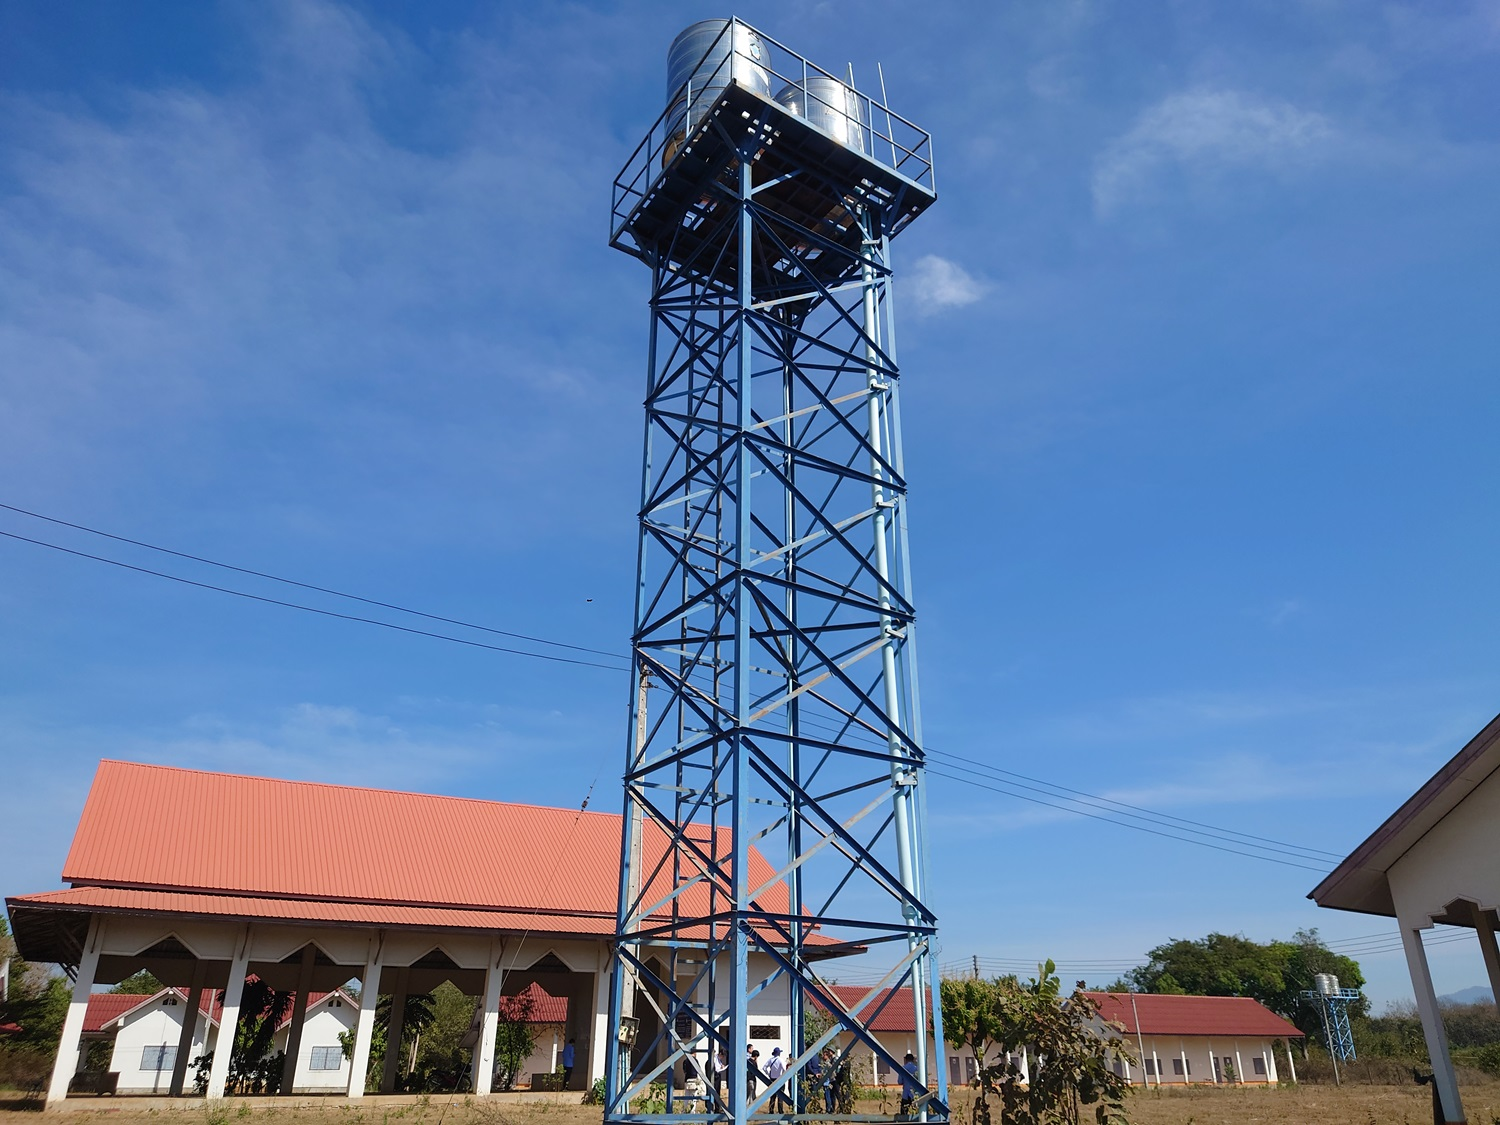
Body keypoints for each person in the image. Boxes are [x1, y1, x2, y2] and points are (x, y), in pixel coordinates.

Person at [765, 1046, 788, 1112]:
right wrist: (783, 1075)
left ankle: (771, 1110)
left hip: (772, 1079)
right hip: (779, 1079)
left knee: (772, 1096)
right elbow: (784, 1069)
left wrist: (768, 1074)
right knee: (780, 1097)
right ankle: (780, 1111)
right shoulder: (781, 1060)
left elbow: (764, 1068)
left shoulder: (770, 1060)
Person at [899, 1052, 918, 1118]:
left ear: (906, 1059)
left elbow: (899, 1081)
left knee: (903, 1113)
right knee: (916, 1113)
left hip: (906, 1094)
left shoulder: (903, 1068)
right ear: (913, 1060)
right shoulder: (917, 1068)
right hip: (915, 1094)